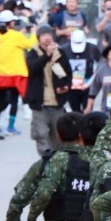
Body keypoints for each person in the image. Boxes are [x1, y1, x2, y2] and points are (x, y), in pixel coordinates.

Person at [24, 25, 71, 155]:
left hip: (57, 101)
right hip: (40, 102)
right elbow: (33, 68)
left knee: (58, 135)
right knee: (41, 133)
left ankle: (57, 161)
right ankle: (46, 161)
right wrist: (47, 55)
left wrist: (66, 86)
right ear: (38, 38)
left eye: (49, 35)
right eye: (44, 35)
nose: (47, 38)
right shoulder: (32, 53)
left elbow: (68, 73)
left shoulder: (60, 53)